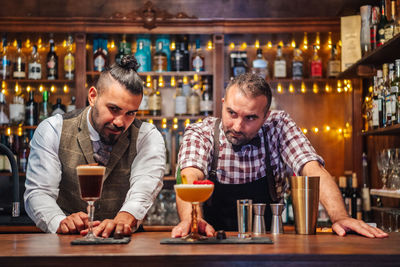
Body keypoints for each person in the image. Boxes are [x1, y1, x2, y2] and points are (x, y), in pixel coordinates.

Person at [172, 72, 387, 239]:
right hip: (211, 241)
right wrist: (194, 221)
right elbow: (190, 175)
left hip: (270, 243)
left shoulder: (279, 125)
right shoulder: (201, 132)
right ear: (223, 104)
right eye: (232, 113)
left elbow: (311, 168)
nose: (238, 126)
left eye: (250, 118)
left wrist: (340, 217)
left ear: (266, 116)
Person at [24, 56, 165, 237]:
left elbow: (145, 186)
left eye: (130, 113)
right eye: (113, 109)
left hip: (126, 243)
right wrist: (58, 221)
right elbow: (39, 191)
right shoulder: (53, 129)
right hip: (66, 242)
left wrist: (125, 217)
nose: (120, 122)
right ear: (93, 96)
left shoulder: (147, 136)